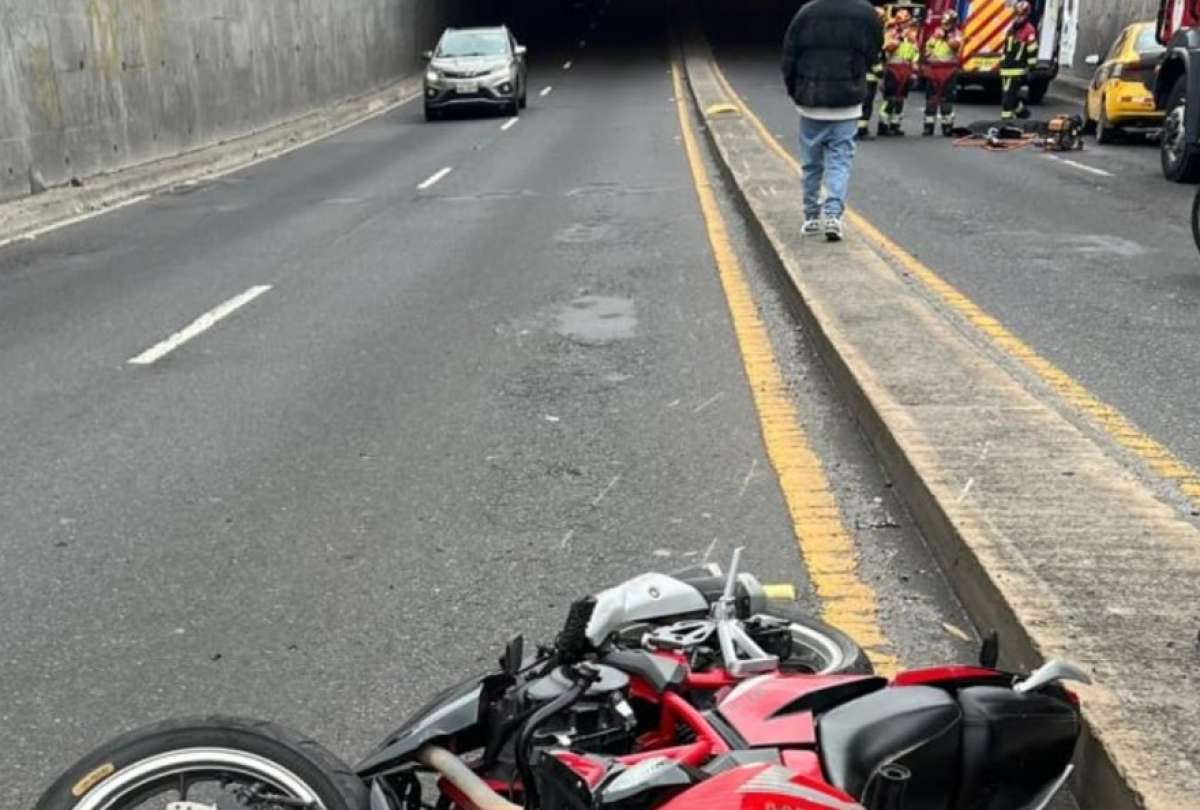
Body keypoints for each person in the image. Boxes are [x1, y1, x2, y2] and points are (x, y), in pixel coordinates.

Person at [781, 0, 883, 241]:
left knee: (811, 163)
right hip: (848, 102)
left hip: (811, 101)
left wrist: (795, 90)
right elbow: (875, 49)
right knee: (840, 161)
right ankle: (833, 215)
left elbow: (789, 56)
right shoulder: (865, 12)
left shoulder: (806, 12)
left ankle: (811, 217)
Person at [922, 10, 963, 136]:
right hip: (934, 69)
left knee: (946, 99)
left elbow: (956, 45)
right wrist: (929, 57)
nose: (945, 26)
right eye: (944, 24)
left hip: (949, 69)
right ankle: (928, 126)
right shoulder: (935, 33)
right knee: (931, 98)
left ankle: (947, 126)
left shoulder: (956, 34)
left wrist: (945, 36)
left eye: (948, 24)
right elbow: (928, 48)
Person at [880, 14, 921, 136]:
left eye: (907, 22)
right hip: (893, 69)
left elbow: (915, 53)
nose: (906, 25)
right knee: (890, 99)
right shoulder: (890, 33)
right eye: (904, 22)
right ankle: (883, 125)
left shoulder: (911, 36)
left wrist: (914, 70)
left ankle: (895, 125)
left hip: (906, 70)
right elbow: (888, 49)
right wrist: (899, 38)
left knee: (900, 100)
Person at [1000, 1, 1039, 121]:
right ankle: (1023, 113)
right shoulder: (1011, 29)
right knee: (1011, 97)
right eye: (1016, 15)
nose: (1018, 18)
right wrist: (1002, 62)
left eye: (1021, 16)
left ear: (1026, 16)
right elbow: (1006, 48)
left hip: (1017, 70)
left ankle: (1006, 123)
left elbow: (1032, 51)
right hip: (1006, 69)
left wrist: (1031, 68)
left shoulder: (1029, 30)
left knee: (1007, 99)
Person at [858, 8, 888, 140]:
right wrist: (880, 71)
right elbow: (873, 55)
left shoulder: (862, 31)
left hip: (859, 73)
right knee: (866, 102)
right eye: (881, 19)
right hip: (868, 74)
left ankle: (858, 128)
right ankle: (861, 129)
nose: (882, 22)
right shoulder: (872, 35)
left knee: (862, 102)